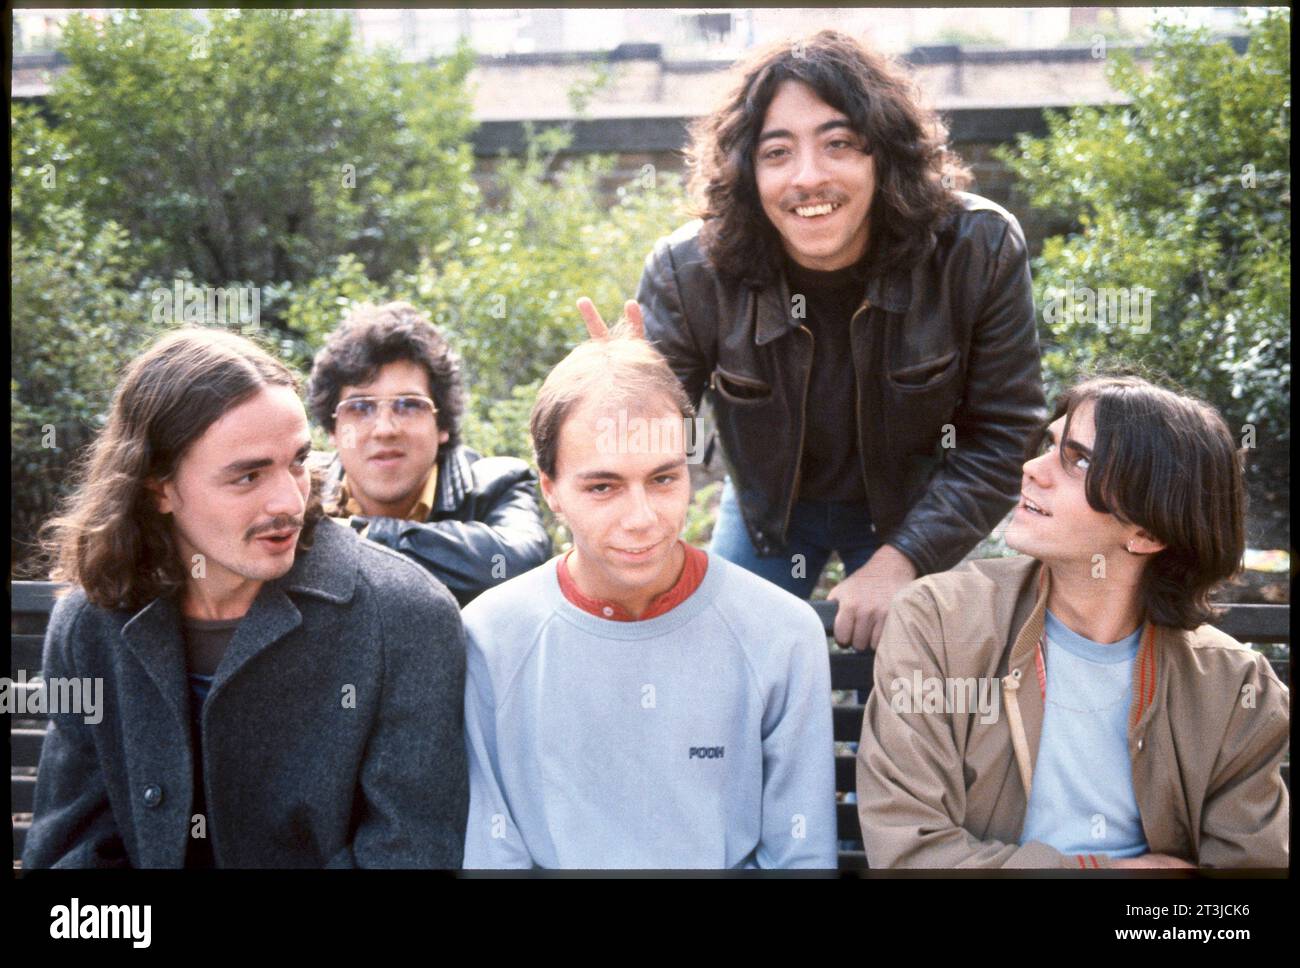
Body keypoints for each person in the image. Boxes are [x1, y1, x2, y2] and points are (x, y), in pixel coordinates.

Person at [628, 29, 1045, 652]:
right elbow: (645, 441)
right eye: (776, 152)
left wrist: (904, 558)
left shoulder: (976, 248)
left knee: (929, 685)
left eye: (839, 144)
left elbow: (1007, 432)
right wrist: (608, 389)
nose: (807, 177)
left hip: (917, 507)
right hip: (770, 510)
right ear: (748, 172)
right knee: (716, 658)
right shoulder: (690, 272)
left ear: (885, 155)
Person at [24, 327, 468, 869]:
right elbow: (74, 851)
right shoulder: (90, 621)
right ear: (158, 487)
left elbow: (410, 855)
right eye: (248, 476)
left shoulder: (406, 618)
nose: (288, 501)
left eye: (298, 461)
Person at [857, 375, 1290, 869]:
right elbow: (908, 853)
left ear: (1146, 533)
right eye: (1050, 444)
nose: (1031, 469)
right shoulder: (939, 622)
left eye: (1079, 460)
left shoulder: (1235, 687)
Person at [460, 303, 836, 869]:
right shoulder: (492, 636)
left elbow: (801, 855)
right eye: (603, 487)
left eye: (663, 478)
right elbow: (493, 854)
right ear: (551, 490)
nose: (642, 518)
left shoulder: (782, 632)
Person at [307, 301, 551, 606]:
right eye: (360, 407)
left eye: (408, 405)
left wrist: (357, 534)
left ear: (442, 424)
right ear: (332, 429)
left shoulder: (497, 484)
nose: (384, 429)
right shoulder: (298, 492)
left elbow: (517, 563)